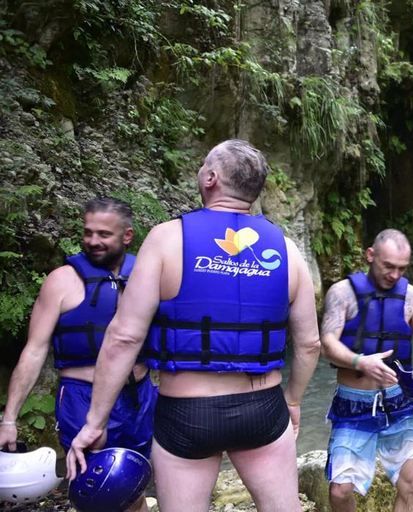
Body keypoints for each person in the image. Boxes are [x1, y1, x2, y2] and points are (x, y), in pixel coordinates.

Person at [65, 140, 321, 512]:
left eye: (204, 166)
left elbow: (124, 337)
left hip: (187, 414)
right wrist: (293, 400)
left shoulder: (167, 239)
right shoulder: (287, 249)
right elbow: (309, 344)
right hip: (263, 409)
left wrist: (94, 422)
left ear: (211, 178)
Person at [0, 198, 156, 512]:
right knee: (96, 488)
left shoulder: (145, 274)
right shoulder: (61, 281)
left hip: (140, 396)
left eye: (103, 234)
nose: (93, 241)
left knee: (134, 482)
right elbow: (34, 351)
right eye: (88, 232)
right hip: (82, 398)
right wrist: (10, 419)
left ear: (127, 236)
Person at [320, 228, 413, 512]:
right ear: (370, 255)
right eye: (388, 266)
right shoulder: (342, 293)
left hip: (398, 403)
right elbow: (326, 344)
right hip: (353, 404)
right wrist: (359, 361)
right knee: (340, 491)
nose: (395, 275)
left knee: (412, 481)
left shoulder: (412, 296)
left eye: (402, 268)